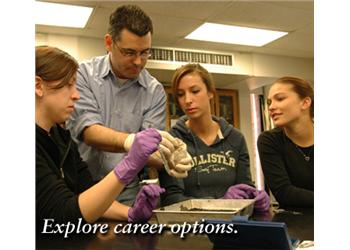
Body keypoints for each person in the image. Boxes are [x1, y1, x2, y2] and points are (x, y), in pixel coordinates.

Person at [66, 4, 190, 206]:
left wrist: (169, 158)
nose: (139, 62)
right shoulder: (83, 75)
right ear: (109, 42)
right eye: (129, 52)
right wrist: (131, 140)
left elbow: (149, 151)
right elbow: (89, 131)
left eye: (145, 52)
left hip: (126, 192)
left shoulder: (155, 91)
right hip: (81, 187)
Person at [36, 45, 165, 230]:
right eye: (68, 85)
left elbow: (88, 194)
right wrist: (127, 167)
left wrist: (129, 213)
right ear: (38, 86)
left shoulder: (62, 139)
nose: (76, 95)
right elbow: (65, 215)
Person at [158, 63, 270, 212]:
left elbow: (245, 187)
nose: (187, 100)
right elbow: (171, 199)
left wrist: (254, 198)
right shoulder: (172, 141)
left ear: (210, 92)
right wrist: (220, 204)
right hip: (191, 228)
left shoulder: (235, 138)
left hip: (232, 226)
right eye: (180, 94)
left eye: (195, 91)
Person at [257, 76, 314, 208]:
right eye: (269, 102)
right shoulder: (269, 140)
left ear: (305, 103)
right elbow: (284, 193)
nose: (271, 107)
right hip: (295, 224)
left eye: (280, 99)